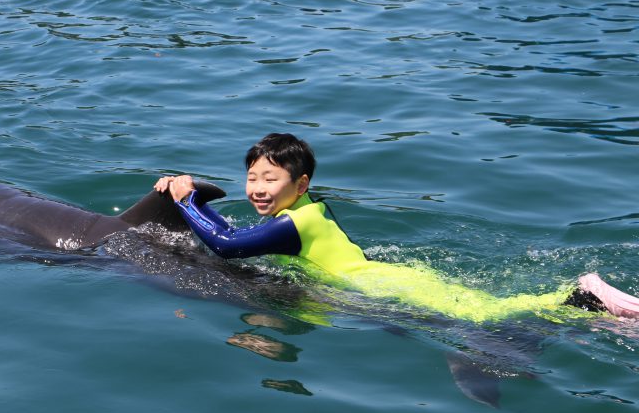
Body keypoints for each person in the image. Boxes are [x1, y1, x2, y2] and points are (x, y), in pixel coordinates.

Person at [155, 133, 639, 321]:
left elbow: (224, 246)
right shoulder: (300, 215)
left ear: (300, 184)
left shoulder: (293, 224)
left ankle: (588, 299)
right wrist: (193, 200)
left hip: (383, 285)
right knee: (489, 311)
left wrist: (187, 198)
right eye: (252, 178)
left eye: (271, 179)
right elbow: (235, 239)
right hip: (386, 278)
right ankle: (583, 303)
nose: (258, 188)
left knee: (489, 318)